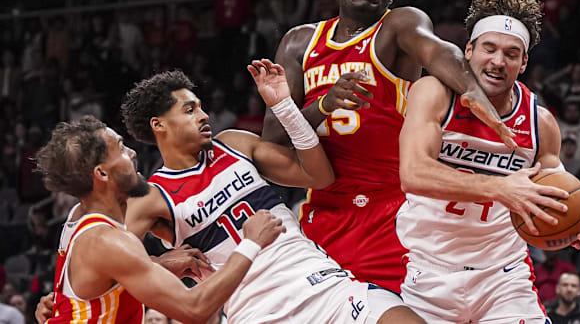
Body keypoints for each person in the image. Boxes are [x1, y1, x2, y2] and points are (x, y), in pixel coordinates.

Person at [262, 0, 521, 293]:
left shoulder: (398, 25)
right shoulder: (299, 42)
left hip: (392, 207)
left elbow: (437, 51)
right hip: (326, 204)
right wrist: (324, 104)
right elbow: (272, 137)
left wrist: (472, 90)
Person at [119, 64, 424, 323]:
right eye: (189, 110)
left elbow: (318, 175)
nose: (203, 116)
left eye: (200, 107)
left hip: (325, 286)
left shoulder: (234, 144)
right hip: (260, 312)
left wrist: (285, 108)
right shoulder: (152, 196)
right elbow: (110, 268)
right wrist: (159, 264)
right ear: (158, 125)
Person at [395, 0, 580, 322]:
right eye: (489, 49)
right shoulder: (435, 94)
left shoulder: (540, 122)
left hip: (502, 277)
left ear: (524, 63)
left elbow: (556, 193)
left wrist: (576, 217)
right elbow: (413, 173)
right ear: (469, 50)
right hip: (423, 272)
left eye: (511, 53)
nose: (498, 61)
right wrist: (500, 187)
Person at [34, 115, 286, 324]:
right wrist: (251, 243)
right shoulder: (109, 241)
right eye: (121, 148)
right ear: (101, 173)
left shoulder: (78, 217)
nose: (132, 153)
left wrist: (157, 264)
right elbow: (194, 308)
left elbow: (94, 286)